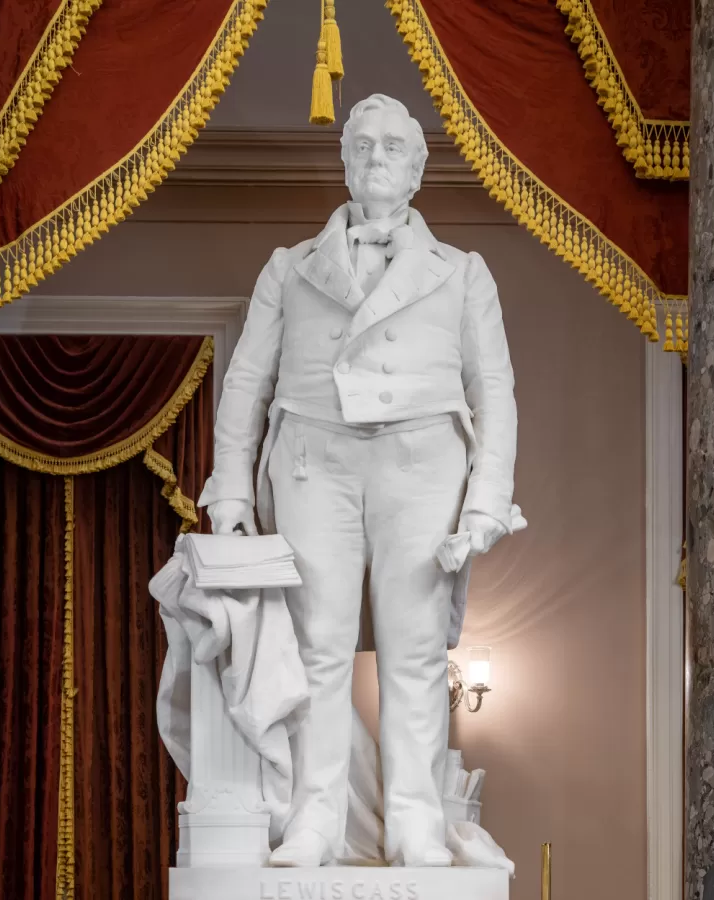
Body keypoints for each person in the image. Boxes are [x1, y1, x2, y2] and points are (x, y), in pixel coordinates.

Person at [198, 94, 520, 867]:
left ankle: (413, 821)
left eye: (392, 148)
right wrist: (232, 490)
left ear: (417, 170)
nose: (376, 157)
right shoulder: (290, 268)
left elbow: (497, 390)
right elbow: (246, 380)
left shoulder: (462, 273)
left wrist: (486, 501)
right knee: (319, 647)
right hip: (315, 457)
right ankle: (316, 820)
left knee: (413, 649)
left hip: (423, 460)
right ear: (345, 163)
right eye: (362, 145)